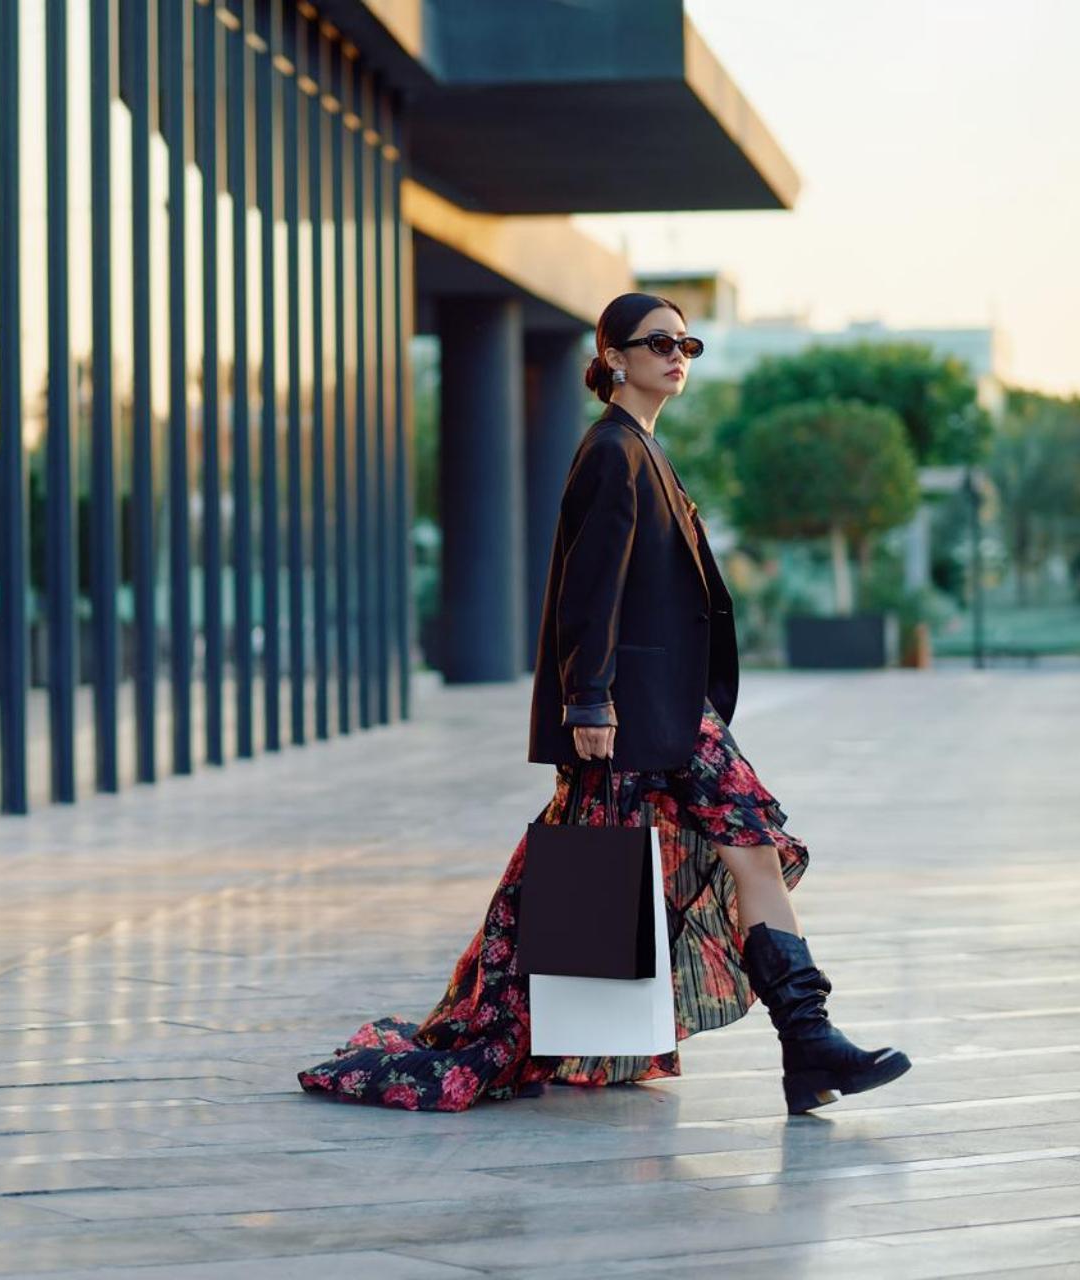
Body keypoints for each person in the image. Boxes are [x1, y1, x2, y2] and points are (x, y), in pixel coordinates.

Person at [296, 292, 913, 1116]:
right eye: (657, 342)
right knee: (727, 851)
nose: (676, 354)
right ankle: (807, 1045)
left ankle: (809, 1047)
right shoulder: (610, 453)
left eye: (686, 342)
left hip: (671, 709)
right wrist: (588, 701)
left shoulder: (645, 451)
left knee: (752, 850)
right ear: (614, 357)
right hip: (640, 710)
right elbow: (590, 591)